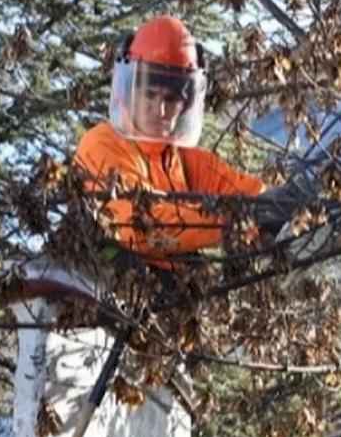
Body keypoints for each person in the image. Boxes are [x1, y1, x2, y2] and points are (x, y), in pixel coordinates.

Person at [74, 15, 271, 267]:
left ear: (186, 104)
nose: (161, 109)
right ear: (129, 92)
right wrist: (233, 222)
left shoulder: (186, 162)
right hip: (110, 290)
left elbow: (251, 196)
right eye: (150, 95)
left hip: (169, 294)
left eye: (172, 98)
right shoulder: (102, 144)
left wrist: (278, 207)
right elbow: (138, 228)